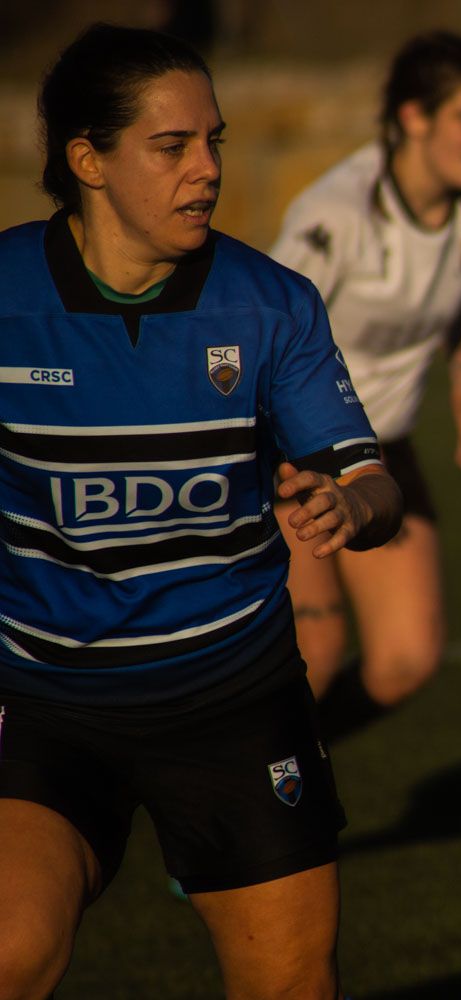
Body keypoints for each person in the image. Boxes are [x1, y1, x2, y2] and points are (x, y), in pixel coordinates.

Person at [0, 24, 402, 997]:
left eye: (212, 141)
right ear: (88, 160)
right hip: (47, 704)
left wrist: (351, 506)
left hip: (233, 700)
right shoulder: (6, 298)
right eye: (172, 146)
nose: (208, 168)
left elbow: (371, 478)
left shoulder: (270, 304)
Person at [268, 32, 461, 740]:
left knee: (406, 659)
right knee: (313, 652)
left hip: (384, 452)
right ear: (413, 117)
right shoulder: (336, 214)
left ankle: (297, 761)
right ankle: (260, 779)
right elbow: (267, 324)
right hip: (294, 453)